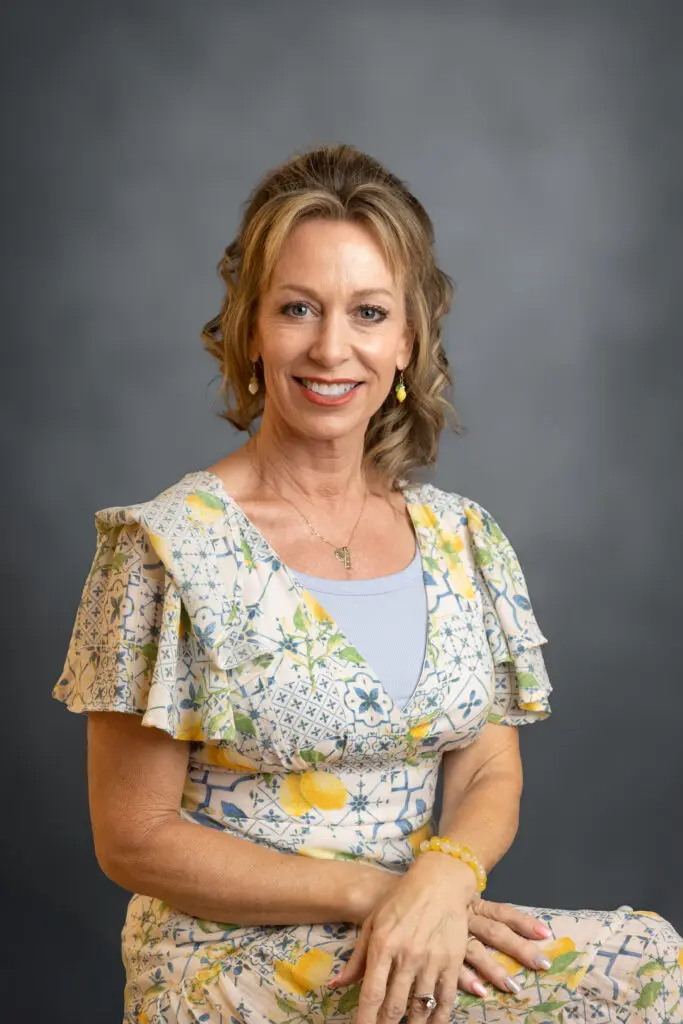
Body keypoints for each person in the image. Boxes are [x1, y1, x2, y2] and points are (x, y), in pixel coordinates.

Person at [52, 143, 682, 1024]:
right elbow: (134, 839)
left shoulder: (463, 540)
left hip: (424, 922)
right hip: (233, 956)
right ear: (249, 330)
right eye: (298, 308)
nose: (331, 348)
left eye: (369, 312)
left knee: (655, 968)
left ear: (407, 341)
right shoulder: (166, 548)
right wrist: (378, 896)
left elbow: (488, 767)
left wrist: (443, 877)